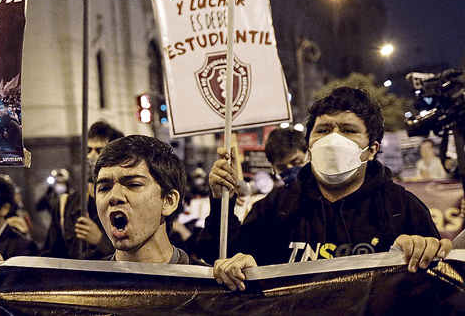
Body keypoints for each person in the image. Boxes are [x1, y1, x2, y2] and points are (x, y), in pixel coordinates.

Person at [200, 87, 451, 291]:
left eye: (348, 130)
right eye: (323, 130)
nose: (333, 138)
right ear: (309, 144)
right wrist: (223, 199)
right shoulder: (278, 206)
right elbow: (220, 255)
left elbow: (437, 289)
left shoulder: (401, 208)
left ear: (372, 149)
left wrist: (425, 250)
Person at [93, 135, 206, 265]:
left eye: (133, 185)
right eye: (105, 188)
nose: (114, 196)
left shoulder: (204, 283)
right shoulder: (87, 283)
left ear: (169, 201)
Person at [40, 121, 123, 259]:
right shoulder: (66, 205)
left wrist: (100, 241)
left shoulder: (123, 202)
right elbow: (50, 256)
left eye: (100, 150)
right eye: (88, 150)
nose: (91, 156)